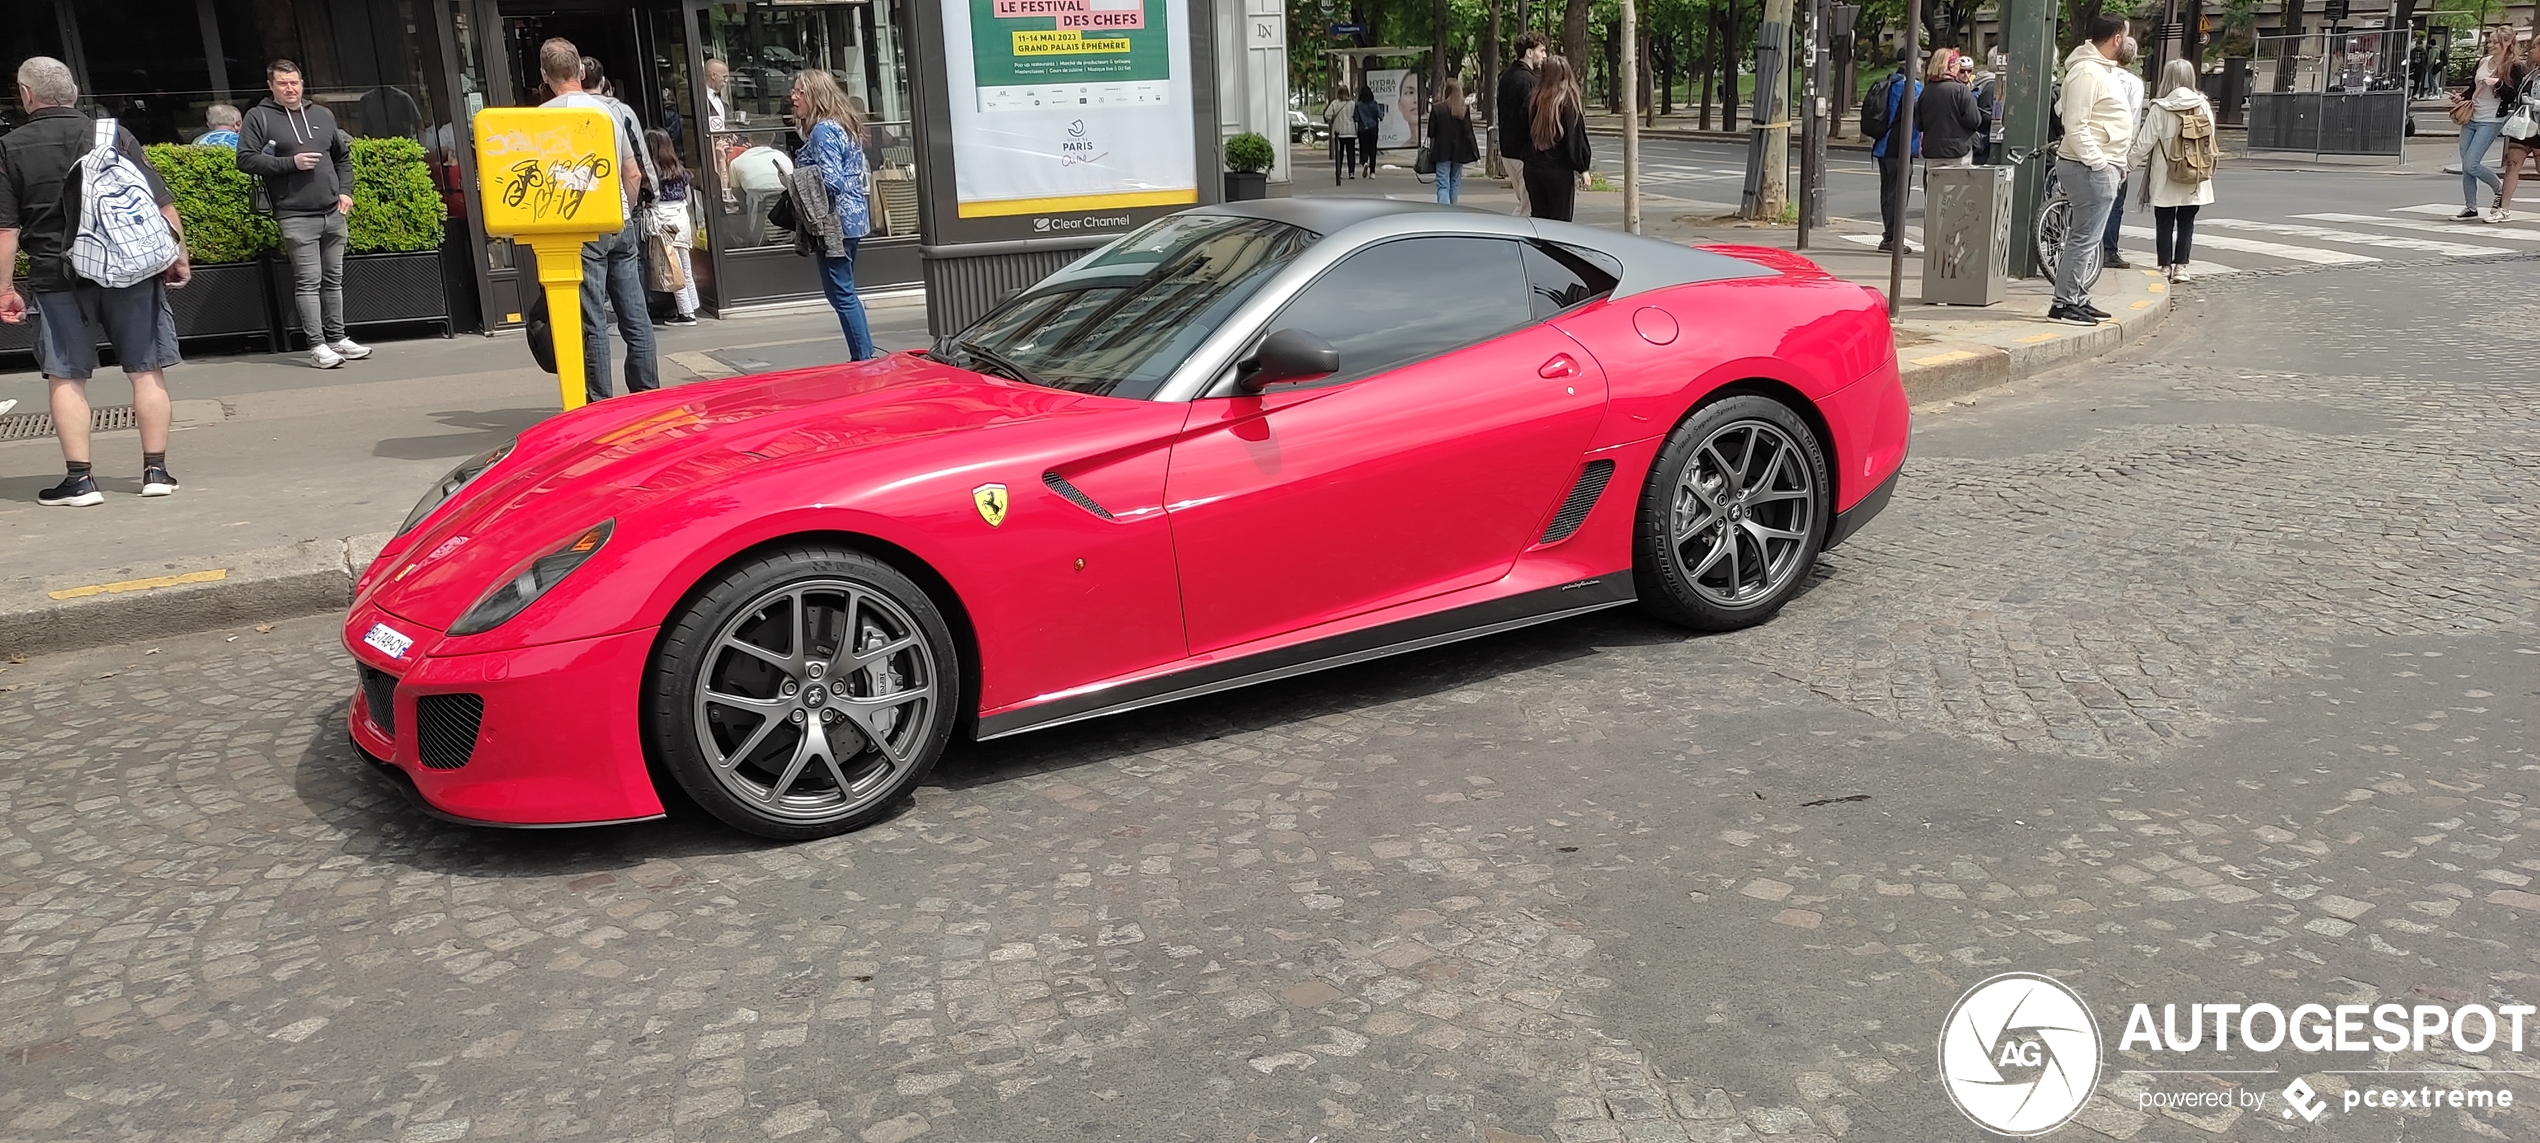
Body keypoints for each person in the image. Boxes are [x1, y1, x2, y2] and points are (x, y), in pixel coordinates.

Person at [0, 57, 192, 506]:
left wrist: (4, 288)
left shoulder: (9, 147)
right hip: (130, 270)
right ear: (72, 91)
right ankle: (156, 472)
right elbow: (161, 204)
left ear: (27, 95)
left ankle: (81, 481)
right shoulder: (112, 135)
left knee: (66, 376)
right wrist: (176, 256)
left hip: (57, 276)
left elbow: (6, 231)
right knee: (146, 370)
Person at [539, 39, 655, 403]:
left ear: (545, 75)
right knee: (635, 314)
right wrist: (626, 210)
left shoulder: (543, 117)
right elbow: (632, 172)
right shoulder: (612, 112)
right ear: (581, 70)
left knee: (593, 323)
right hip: (618, 219)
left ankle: (600, 401)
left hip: (579, 225)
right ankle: (646, 394)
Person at [238, 59, 366, 369]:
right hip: (294, 213)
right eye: (282, 83)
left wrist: (346, 192)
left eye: (294, 82)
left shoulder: (321, 114)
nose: (290, 88)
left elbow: (343, 158)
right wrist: (289, 164)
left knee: (333, 279)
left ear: (302, 82)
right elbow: (245, 159)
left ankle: (337, 338)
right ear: (271, 86)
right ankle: (317, 345)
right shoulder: (259, 117)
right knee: (309, 281)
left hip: (332, 211)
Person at [2048, 14, 2133, 326]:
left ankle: (2076, 298)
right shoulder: (2087, 72)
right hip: (2089, 166)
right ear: (2117, 39)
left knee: (2087, 237)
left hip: (2095, 163)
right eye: (2126, 34)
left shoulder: (2093, 70)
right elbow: (2076, 124)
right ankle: (2065, 302)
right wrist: (2100, 163)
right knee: (2084, 238)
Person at [790, 69, 875, 359]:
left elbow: (831, 180)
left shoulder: (824, 130)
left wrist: (799, 180)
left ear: (815, 95)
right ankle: (863, 353)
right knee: (845, 291)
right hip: (852, 218)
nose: (793, 96)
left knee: (841, 292)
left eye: (799, 91)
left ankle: (862, 357)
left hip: (834, 223)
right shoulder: (841, 125)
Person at [2129, 59, 2216, 284]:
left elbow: (2144, 143)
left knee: (2164, 219)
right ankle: (2182, 267)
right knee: (2187, 220)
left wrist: (2127, 165)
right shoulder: (2203, 105)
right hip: (2195, 171)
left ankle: (2165, 265)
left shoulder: (2160, 108)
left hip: (2166, 171)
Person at [2456, 28, 2523, 221]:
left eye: (2496, 42)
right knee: (2466, 165)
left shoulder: (2514, 66)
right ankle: (2470, 206)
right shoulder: (2483, 62)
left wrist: (2498, 84)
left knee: (2471, 163)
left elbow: (2513, 96)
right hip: (2471, 117)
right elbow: (2473, 88)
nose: (2491, 45)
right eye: (2490, 41)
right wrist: (2460, 98)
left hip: (2491, 119)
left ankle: (2499, 188)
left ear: (2508, 43)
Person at [1524, 57, 1591, 222]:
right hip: (1558, 171)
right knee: (1559, 223)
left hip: (1533, 168)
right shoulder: (1568, 102)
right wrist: (1583, 168)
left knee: (1539, 218)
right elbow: (1575, 138)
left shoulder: (1533, 99)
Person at [1868, 52, 1922, 253]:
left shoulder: (1891, 82)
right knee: (1898, 195)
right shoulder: (1911, 86)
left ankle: (1889, 236)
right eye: (1920, 59)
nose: (1922, 63)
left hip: (1884, 146)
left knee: (1888, 193)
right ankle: (1892, 239)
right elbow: (1919, 115)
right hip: (1900, 146)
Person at [2099, 37, 2144, 270]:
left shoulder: (2100, 75)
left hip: (2094, 144)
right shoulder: (2134, 84)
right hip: (2116, 148)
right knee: (2115, 202)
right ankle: (2108, 249)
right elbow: (2133, 120)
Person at [647, 128, 700, 325]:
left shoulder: (652, 174)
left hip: (664, 221)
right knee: (684, 266)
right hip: (681, 219)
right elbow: (687, 198)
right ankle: (692, 305)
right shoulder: (681, 171)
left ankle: (686, 314)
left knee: (672, 267)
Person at [1499, 32, 1548, 215]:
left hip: (1508, 151)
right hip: (1524, 153)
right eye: (1541, 51)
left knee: (1523, 203)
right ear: (1529, 52)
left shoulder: (1505, 76)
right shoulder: (1529, 81)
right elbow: (1532, 117)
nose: (1544, 56)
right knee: (1528, 208)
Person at [1917, 49, 1987, 168]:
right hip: (1958, 150)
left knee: (1934, 184)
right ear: (1951, 66)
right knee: (1957, 184)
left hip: (1932, 151)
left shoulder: (1926, 92)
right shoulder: (1961, 90)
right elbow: (1974, 120)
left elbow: (1919, 124)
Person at [2497, 38, 2540, 224]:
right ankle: (2503, 208)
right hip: (2524, 125)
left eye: (2536, 47)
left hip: (2538, 127)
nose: (2531, 50)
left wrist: (2536, 103)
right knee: (2512, 164)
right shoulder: (2531, 74)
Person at [1428, 77, 1479, 204]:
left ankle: (1443, 213)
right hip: (1458, 153)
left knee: (1443, 184)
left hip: (1442, 152)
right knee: (1455, 183)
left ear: (1446, 91)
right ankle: (1453, 209)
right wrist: (1476, 154)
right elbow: (1469, 132)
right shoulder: (1463, 110)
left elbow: (1431, 133)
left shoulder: (1437, 109)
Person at [1323, 85, 1356, 176]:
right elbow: (1356, 116)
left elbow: (1327, 115)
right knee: (1351, 153)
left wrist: (1332, 120)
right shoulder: (1352, 104)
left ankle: (1339, 172)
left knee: (1339, 154)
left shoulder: (1334, 103)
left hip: (1338, 132)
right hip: (1350, 131)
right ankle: (1351, 172)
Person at [1352, 86, 1383, 178]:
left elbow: (1356, 118)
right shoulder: (1374, 104)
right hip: (1373, 128)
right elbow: (1380, 116)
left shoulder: (1358, 105)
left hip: (1362, 129)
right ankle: (1372, 172)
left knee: (1363, 147)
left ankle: (1365, 161)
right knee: (1373, 149)